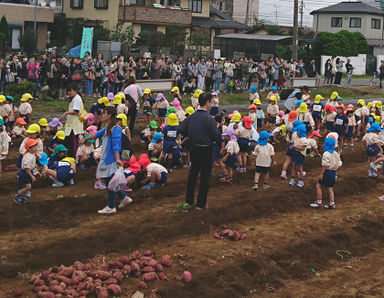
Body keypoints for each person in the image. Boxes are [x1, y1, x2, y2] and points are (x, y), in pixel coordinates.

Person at [179, 92, 221, 210]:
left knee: (193, 174)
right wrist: (217, 129)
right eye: (211, 102)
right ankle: (201, 204)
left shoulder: (193, 116)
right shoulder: (209, 118)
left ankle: (189, 200)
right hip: (206, 148)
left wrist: (190, 135)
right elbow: (216, 136)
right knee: (205, 177)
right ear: (207, 103)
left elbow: (181, 128)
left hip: (193, 147)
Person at [310, 137, 342, 209]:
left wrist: (321, 174)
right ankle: (332, 203)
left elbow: (325, 165)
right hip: (333, 172)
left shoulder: (326, 154)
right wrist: (334, 169)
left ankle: (319, 202)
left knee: (318, 186)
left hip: (327, 172)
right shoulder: (336, 153)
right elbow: (339, 163)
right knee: (330, 188)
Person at [14, 139, 38, 204]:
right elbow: (27, 168)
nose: (36, 147)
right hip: (25, 173)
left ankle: (23, 196)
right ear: (30, 149)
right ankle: (18, 196)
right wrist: (32, 176)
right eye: (34, 146)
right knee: (28, 187)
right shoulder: (28, 157)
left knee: (28, 186)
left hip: (28, 172)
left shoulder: (30, 154)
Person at [63, 83, 84, 157]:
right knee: (69, 142)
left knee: (73, 144)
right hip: (72, 125)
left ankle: (74, 159)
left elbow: (76, 111)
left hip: (74, 126)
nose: (69, 92)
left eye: (70, 91)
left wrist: (66, 113)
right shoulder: (75, 98)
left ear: (75, 91)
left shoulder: (77, 99)